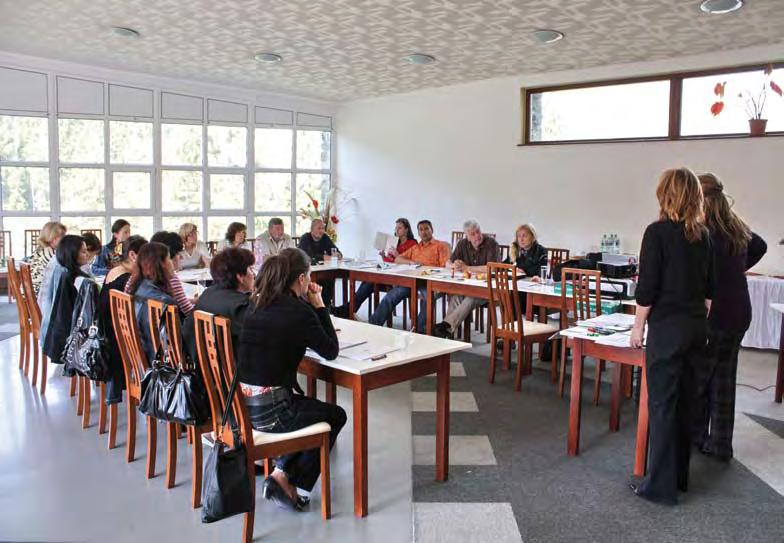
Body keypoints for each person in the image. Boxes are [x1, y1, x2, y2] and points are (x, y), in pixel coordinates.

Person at [629, 167, 714, 506]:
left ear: (665, 196)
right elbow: (709, 293)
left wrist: (638, 327)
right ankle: (679, 478)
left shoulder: (657, 233)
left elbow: (647, 289)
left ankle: (660, 488)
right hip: (696, 328)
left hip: (667, 329)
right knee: (686, 404)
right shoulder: (703, 236)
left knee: (662, 406)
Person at [237, 248, 346, 511]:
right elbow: (330, 350)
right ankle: (291, 483)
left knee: (309, 407)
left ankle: (282, 472)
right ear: (301, 279)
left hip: (242, 409)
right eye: (309, 276)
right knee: (335, 415)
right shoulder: (299, 311)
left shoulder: (256, 303)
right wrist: (319, 305)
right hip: (272, 413)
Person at [693, 173, 767, 461]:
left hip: (715, 313)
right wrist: (737, 270)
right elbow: (760, 245)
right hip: (739, 311)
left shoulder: (703, 232)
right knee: (724, 378)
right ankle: (721, 444)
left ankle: (698, 436)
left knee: (700, 378)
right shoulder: (735, 226)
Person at [369, 219, 450, 332]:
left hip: (430, 282)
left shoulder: (440, 246)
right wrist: (412, 262)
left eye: (426, 229)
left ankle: (418, 329)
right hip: (412, 281)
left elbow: (445, 267)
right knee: (391, 296)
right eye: (421, 230)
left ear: (432, 230)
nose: (424, 232)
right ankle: (373, 324)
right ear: (418, 233)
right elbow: (398, 259)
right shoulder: (416, 248)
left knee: (428, 297)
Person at [98, 235, 148, 405]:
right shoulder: (128, 279)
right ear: (133, 255)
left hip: (108, 337)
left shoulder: (115, 271)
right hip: (119, 345)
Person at [182, 247, 254, 362]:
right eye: (250, 269)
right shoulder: (241, 306)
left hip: (201, 366)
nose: (253, 273)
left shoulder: (207, 294)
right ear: (240, 277)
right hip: (233, 371)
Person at [334, 218, 417, 318]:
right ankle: (348, 309)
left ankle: (347, 310)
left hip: (402, 278)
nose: (397, 230)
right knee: (368, 281)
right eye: (396, 228)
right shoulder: (395, 242)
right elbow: (391, 261)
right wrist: (383, 256)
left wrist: (397, 255)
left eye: (400, 228)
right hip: (390, 274)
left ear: (407, 229)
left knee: (369, 282)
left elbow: (411, 262)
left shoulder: (413, 243)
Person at [432, 219, 500, 339]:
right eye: (472, 234)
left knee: (471, 298)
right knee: (456, 296)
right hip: (467, 285)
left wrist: (467, 267)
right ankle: (446, 330)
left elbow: (492, 268)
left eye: (478, 231)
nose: (477, 236)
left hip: (487, 289)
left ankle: (446, 326)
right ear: (467, 236)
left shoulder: (491, 243)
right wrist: (454, 265)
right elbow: (448, 262)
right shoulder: (462, 243)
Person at [42, 235, 93, 366]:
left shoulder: (65, 273)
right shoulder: (77, 280)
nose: (87, 254)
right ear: (72, 254)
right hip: (75, 338)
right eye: (83, 251)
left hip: (60, 334)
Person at [127, 242, 181, 361]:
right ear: (161, 264)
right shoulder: (165, 302)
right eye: (169, 258)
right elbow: (177, 343)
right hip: (161, 364)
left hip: (140, 360)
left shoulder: (137, 288)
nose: (172, 263)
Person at [139, 231, 197, 315]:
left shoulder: (140, 278)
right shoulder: (171, 279)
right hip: (170, 322)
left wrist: (193, 301)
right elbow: (188, 311)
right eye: (178, 253)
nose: (181, 257)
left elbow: (178, 302)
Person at [298, 218, 342, 308]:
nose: (322, 231)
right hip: (307, 272)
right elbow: (306, 256)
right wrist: (323, 257)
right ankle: (317, 306)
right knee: (322, 281)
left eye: (323, 228)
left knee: (330, 277)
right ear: (312, 229)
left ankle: (326, 306)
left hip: (323, 270)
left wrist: (337, 255)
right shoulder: (305, 238)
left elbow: (337, 252)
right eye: (319, 228)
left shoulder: (325, 237)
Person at [28, 221, 66, 296]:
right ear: (53, 238)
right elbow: (63, 270)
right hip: (39, 296)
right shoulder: (49, 253)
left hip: (31, 294)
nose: (65, 240)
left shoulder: (40, 250)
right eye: (62, 237)